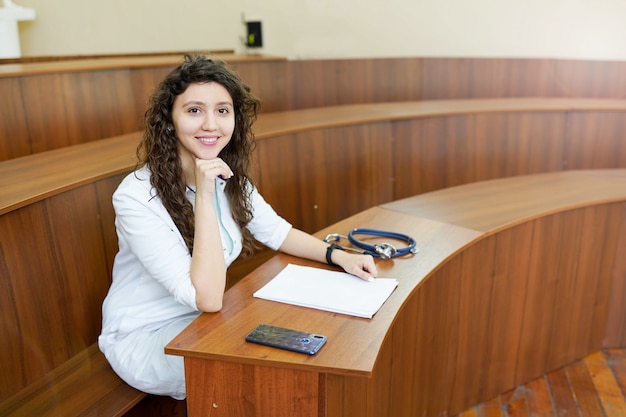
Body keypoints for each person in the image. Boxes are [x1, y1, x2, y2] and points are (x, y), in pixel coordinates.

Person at [98, 54, 378, 399]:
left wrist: (338, 256)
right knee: (271, 374)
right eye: (194, 110)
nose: (211, 125)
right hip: (148, 336)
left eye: (222, 110)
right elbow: (209, 297)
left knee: (307, 343)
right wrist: (203, 195)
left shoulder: (226, 176)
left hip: (206, 323)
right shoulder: (136, 196)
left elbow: (277, 232)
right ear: (169, 120)